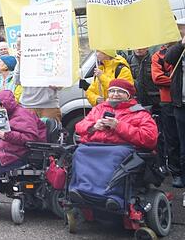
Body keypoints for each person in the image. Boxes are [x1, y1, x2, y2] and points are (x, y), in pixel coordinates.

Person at [75, 79, 157, 150]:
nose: (115, 94)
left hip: (122, 154)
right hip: (93, 148)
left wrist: (118, 126)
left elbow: (150, 139)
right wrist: (93, 127)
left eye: (120, 91)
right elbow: (79, 127)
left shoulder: (139, 113)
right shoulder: (99, 108)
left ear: (129, 95)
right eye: (112, 91)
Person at [152, 42, 183, 188]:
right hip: (168, 100)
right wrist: (178, 79)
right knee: (172, 138)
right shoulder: (158, 55)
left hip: (181, 100)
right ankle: (176, 172)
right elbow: (157, 78)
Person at [13, 40, 61, 123]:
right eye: (18, 46)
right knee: (29, 134)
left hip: (49, 106)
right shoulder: (21, 62)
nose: (20, 48)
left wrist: (57, 85)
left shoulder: (51, 58)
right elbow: (17, 81)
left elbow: (60, 84)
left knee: (51, 134)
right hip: (28, 105)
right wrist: (20, 63)